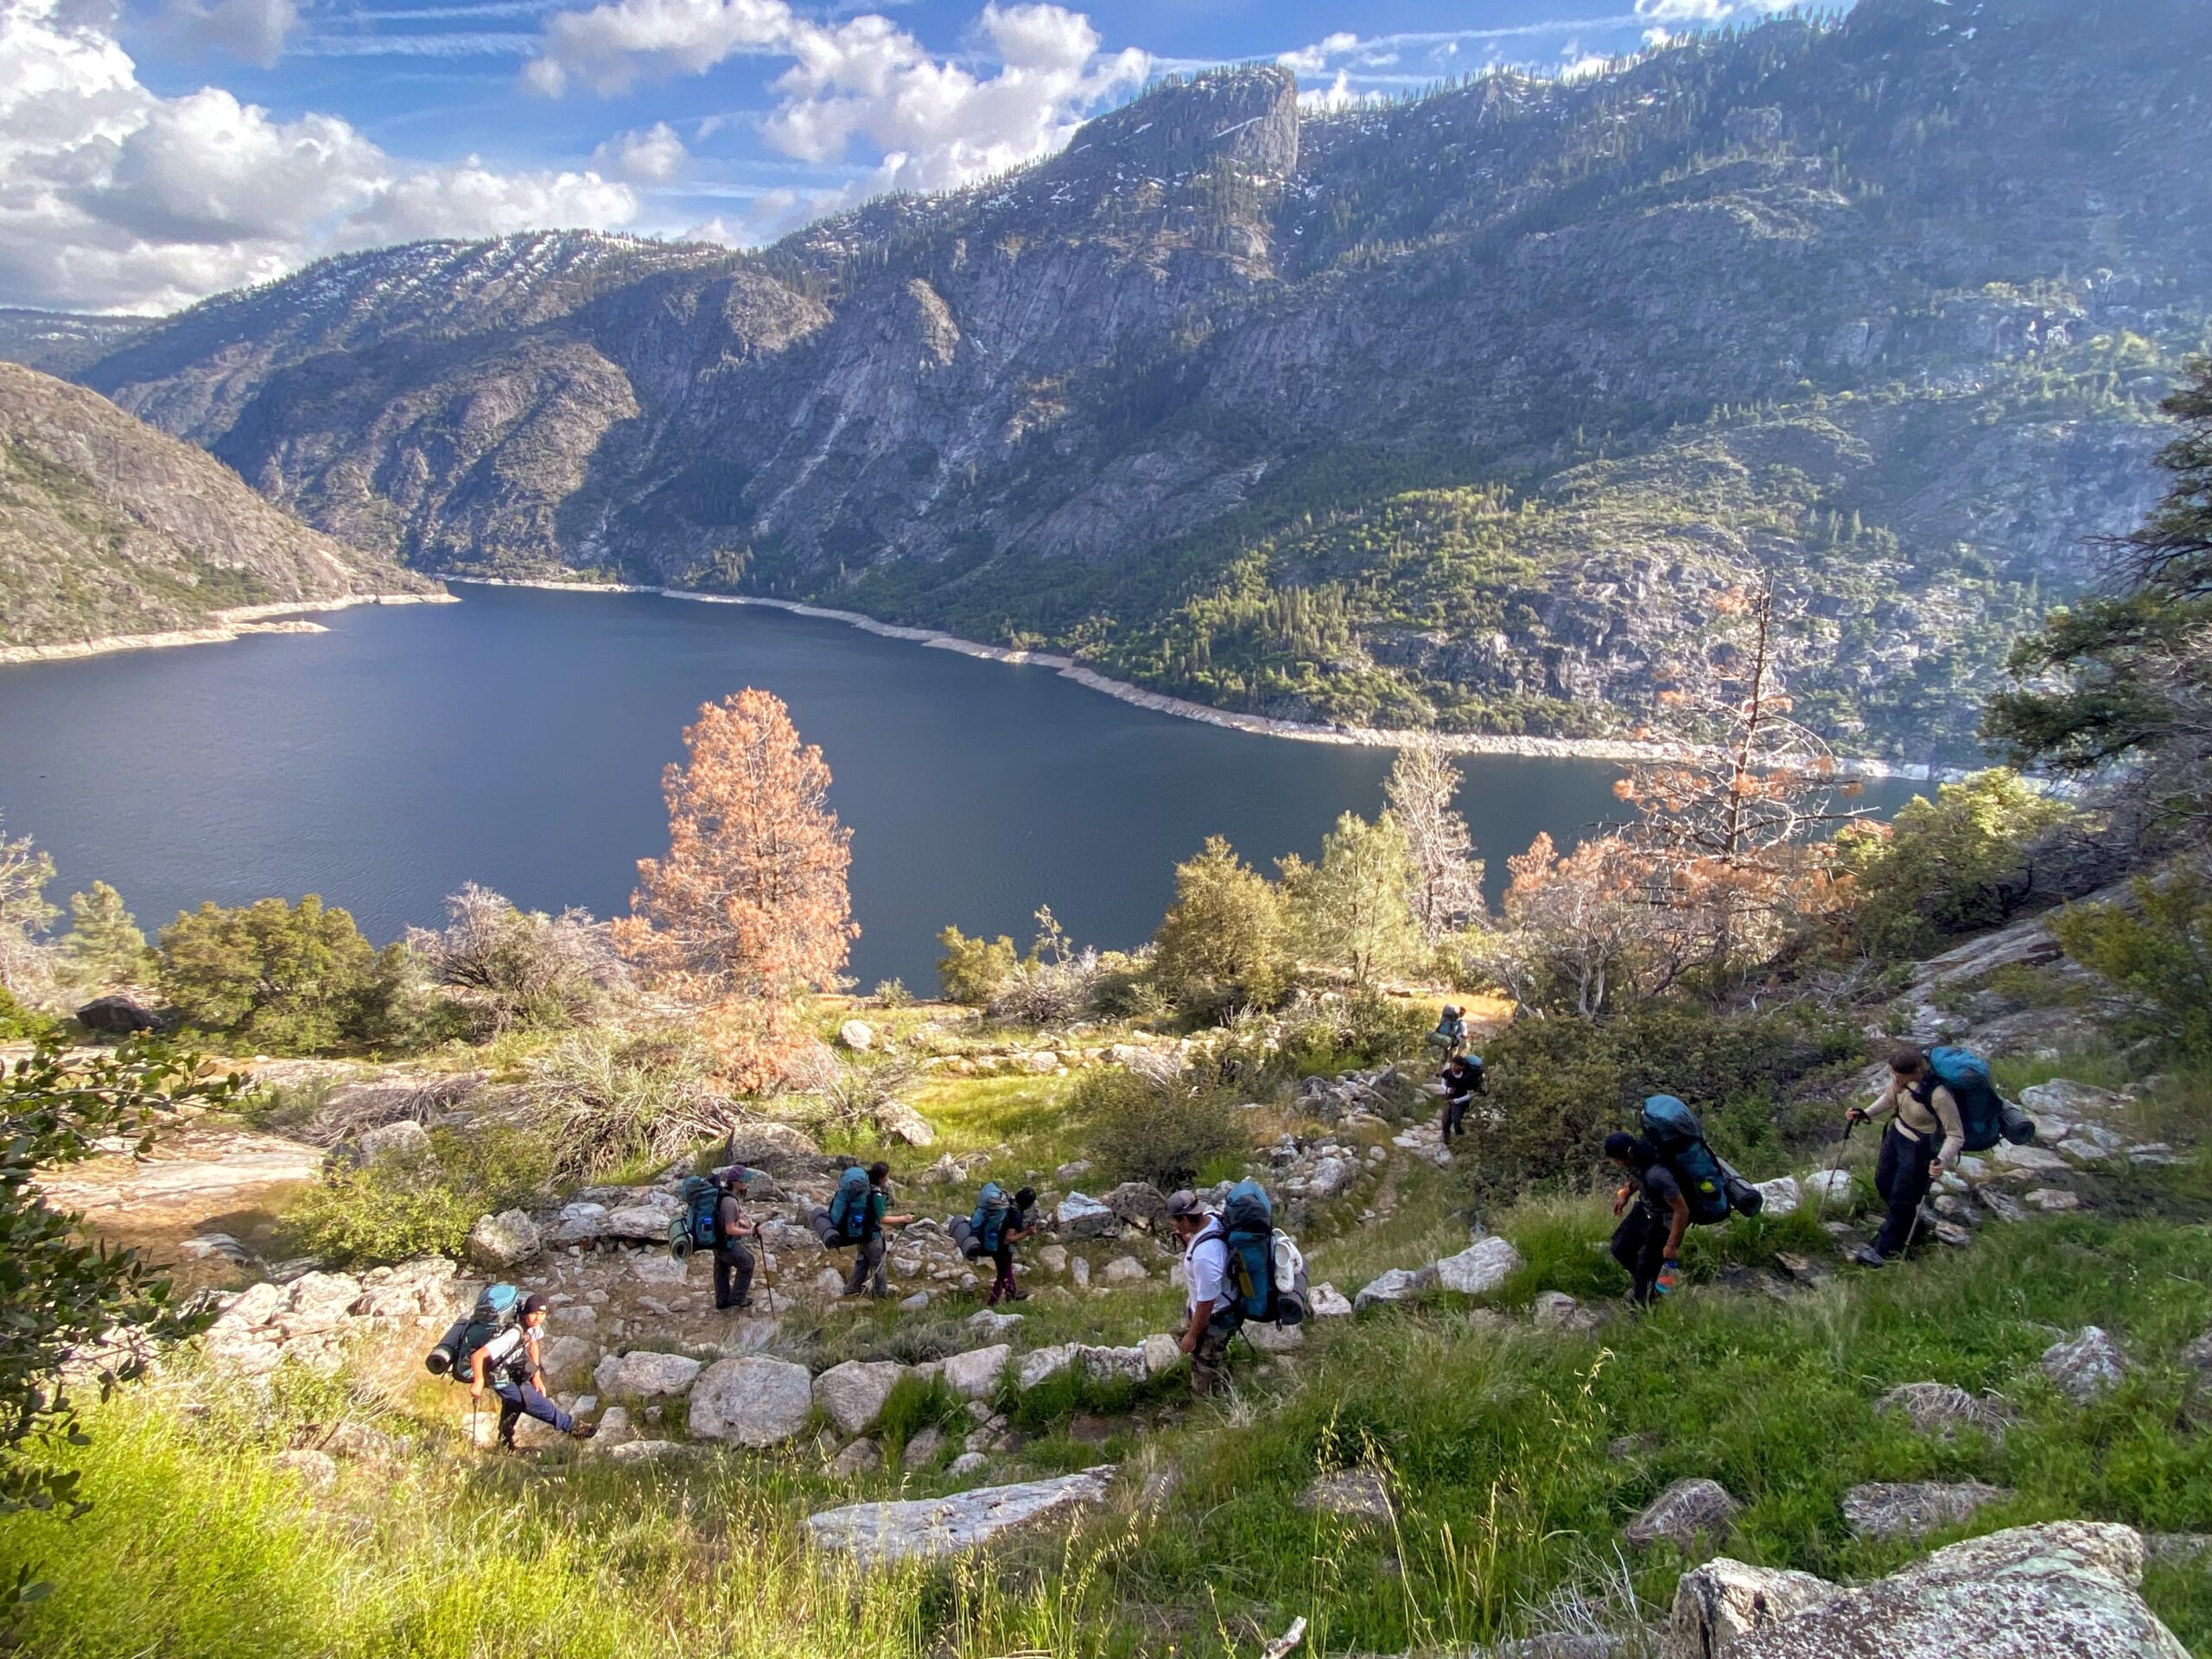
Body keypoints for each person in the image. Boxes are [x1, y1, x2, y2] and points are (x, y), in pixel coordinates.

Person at [1847, 1045, 1965, 1268]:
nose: (1894, 1078)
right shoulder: (1900, 1083)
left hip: (1920, 1149)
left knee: (1903, 1197)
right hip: (1896, 1138)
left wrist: (1941, 1160)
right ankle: (1911, 1226)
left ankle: (1884, 1251)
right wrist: (1865, 1113)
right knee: (1883, 1183)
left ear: (1915, 1071)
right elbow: (1888, 1099)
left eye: (1897, 1074)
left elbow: (1955, 1135)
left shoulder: (1939, 1095)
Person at [470, 1294, 595, 1449]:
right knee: (526, 1401)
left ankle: (504, 1444)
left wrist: (535, 1376)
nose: (538, 1318)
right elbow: (478, 1355)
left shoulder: (532, 1328)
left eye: (542, 1314)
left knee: (515, 1404)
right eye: (534, 1313)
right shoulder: (513, 1334)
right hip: (498, 1375)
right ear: (525, 1313)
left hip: (513, 1369)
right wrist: (478, 1381)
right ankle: (572, 1427)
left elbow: (534, 1345)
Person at [1166, 1189, 1240, 1395]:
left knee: (1204, 1366)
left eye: (1174, 1220)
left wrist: (1192, 1336)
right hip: (1217, 1306)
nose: (1172, 1224)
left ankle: (1209, 1401)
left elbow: (1207, 1303)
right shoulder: (1212, 1218)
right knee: (1197, 1348)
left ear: (1185, 1220)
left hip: (1216, 1318)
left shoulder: (1204, 1257)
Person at [1605, 1132, 1690, 1307]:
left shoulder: (1658, 1175)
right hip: (1645, 1210)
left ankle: (1643, 1310)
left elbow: (1682, 1211)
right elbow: (1636, 1178)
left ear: (1627, 1155)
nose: (1616, 1164)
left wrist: (1671, 1245)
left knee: (1645, 1271)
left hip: (1665, 1220)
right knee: (1619, 1248)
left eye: (1617, 1160)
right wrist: (1625, 1196)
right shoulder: (1638, 1158)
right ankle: (1649, 1284)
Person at [842, 1161, 918, 1299]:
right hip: (872, 1235)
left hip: (859, 1233)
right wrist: (903, 1218)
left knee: (863, 1262)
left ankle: (852, 1288)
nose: (887, 1180)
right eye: (886, 1177)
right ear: (881, 1178)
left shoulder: (862, 1189)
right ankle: (881, 1295)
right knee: (879, 1265)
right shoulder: (876, 1195)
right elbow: (882, 1219)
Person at [986, 1185, 1038, 1307]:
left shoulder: (1007, 1204)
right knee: (1002, 1274)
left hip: (993, 1241)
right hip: (1001, 1248)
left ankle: (1012, 1293)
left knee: (1006, 1271)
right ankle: (992, 1303)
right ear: (1028, 1204)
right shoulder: (1016, 1215)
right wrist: (1027, 1233)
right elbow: (1009, 1238)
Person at [713, 1167, 757, 1312]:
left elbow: (724, 1218)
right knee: (748, 1262)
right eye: (743, 1180)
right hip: (726, 1243)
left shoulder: (721, 1195)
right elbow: (730, 1229)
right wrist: (750, 1231)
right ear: (735, 1182)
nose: (746, 1182)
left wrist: (740, 1220)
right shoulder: (730, 1202)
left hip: (716, 1242)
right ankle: (737, 1299)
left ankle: (722, 1300)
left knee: (722, 1268)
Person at [1439, 1051, 1486, 1144]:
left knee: (1457, 1122)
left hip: (1460, 1103)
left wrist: (1456, 1101)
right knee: (1445, 1122)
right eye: (1453, 1064)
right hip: (1449, 1100)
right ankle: (1446, 1141)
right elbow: (1443, 1083)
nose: (1453, 1067)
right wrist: (1447, 1090)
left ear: (1462, 1067)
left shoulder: (1467, 1078)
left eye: (1456, 1065)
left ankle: (1459, 1142)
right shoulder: (1448, 1073)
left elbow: (1470, 1094)